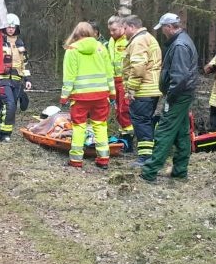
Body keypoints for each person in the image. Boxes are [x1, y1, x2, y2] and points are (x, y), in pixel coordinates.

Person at [141, 13, 199, 183]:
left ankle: (150, 171)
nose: (162, 33)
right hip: (183, 94)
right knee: (181, 133)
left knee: (164, 131)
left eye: (163, 29)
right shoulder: (182, 40)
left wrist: (170, 96)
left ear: (169, 27)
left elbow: (179, 76)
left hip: (178, 95)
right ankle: (180, 171)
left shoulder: (180, 45)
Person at [60, 22, 115, 169]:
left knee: (79, 127)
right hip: (101, 95)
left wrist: (64, 96)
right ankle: (103, 159)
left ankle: (76, 160)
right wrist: (113, 92)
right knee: (100, 126)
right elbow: (109, 72)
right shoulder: (101, 48)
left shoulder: (72, 50)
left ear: (76, 34)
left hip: (80, 97)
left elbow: (69, 77)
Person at [122, 15, 162, 166]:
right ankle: (148, 154)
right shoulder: (147, 38)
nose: (124, 32)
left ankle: (145, 157)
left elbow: (138, 67)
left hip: (143, 89)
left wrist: (131, 88)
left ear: (132, 27)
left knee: (141, 122)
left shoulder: (138, 41)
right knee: (145, 121)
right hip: (151, 87)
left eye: (125, 28)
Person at [0, 13, 32, 142]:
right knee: (10, 104)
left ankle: (3, 132)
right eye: (8, 26)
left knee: (13, 107)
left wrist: (27, 80)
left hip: (17, 79)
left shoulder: (20, 43)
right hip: (3, 78)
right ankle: (4, 134)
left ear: (16, 28)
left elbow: (25, 64)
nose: (11, 29)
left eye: (13, 27)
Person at [106, 15, 135, 150]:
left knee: (125, 109)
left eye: (114, 30)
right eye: (110, 30)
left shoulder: (128, 40)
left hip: (125, 80)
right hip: (114, 80)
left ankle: (129, 138)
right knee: (118, 110)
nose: (112, 33)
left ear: (123, 28)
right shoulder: (111, 41)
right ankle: (123, 134)